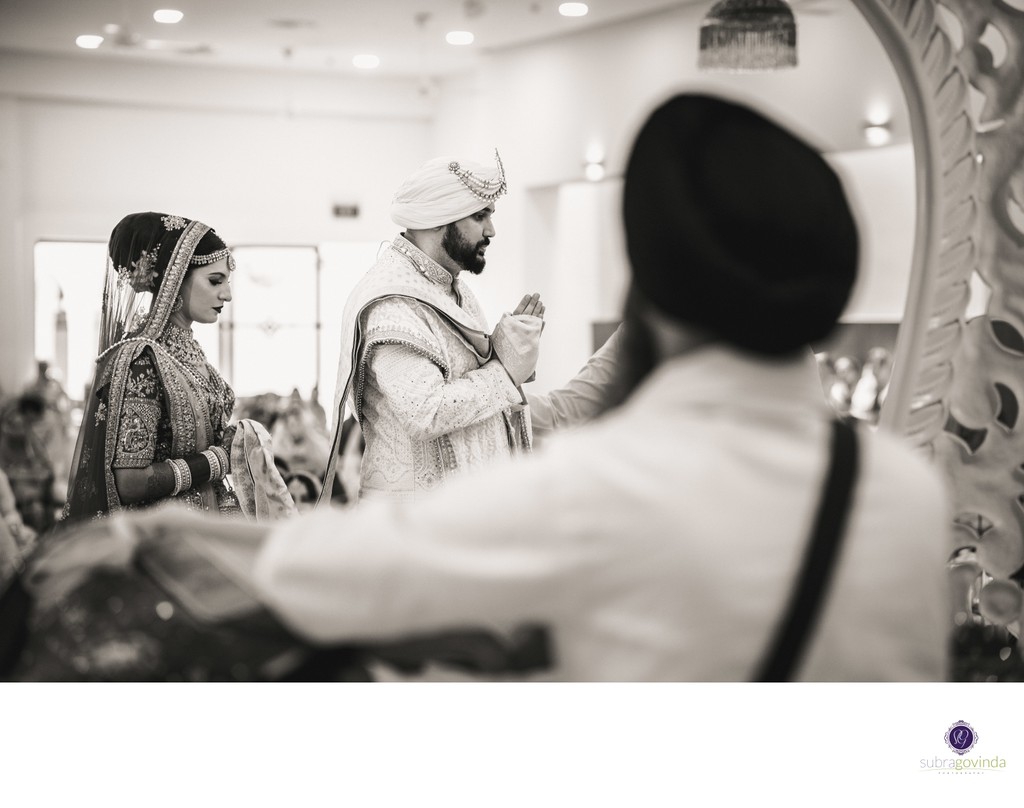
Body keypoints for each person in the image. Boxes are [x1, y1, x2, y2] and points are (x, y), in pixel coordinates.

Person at [11, 94, 951, 682]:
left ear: (650, 291)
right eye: (484, 214)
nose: (492, 229)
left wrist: (167, 529)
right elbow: (442, 413)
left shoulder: (593, 495)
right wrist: (515, 369)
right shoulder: (908, 494)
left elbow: (324, 573)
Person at [62, 212, 293, 525]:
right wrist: (221, 458)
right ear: (175, 277)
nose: (227, 294)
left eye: (226, 282)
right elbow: (130, 483)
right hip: (166, 534)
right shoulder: (142, 362)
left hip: (209, 522)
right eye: (215, 281)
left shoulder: (189, 353)